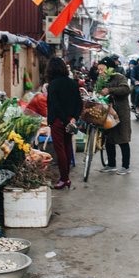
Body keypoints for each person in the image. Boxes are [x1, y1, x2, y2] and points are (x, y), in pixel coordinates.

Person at [46, 57, 83, 189]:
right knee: (67, 146)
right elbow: (79, 103)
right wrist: (73, 119)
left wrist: (65, 121)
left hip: (58, 121)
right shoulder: (73, 83)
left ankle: (64, 178)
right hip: (70, 120)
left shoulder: (53, 84)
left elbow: (55, 105)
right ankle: (65, 178)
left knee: (60, 149)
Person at [97, 56, 132, 175]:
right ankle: (111, 164)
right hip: (107, 113)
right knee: (109, 139)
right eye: (99, 70)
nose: (100, 72)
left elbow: (126, 90)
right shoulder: (102, 80)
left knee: (123, 139)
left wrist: (110, 90)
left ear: (110, 69)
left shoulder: (119, 77)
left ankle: (125, 166)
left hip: (121, 112)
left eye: (102, 69)